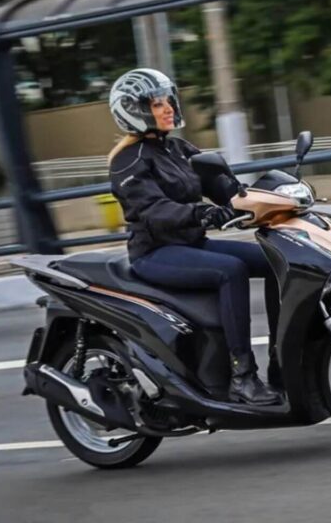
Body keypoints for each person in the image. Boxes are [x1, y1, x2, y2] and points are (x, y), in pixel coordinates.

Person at [106, 68, 281, 405]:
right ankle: (242, 377)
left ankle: (282, 358)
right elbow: (156, 211)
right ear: (135, 110)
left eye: (168, 100)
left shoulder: (177, 148)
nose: (168, 107)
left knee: (278, 257)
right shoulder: (128, 163)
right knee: (231, 271)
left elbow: (223, 185)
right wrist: (203, 213)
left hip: (191, 243)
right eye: (157, 104)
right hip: (156, 253)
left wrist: (265, 199)